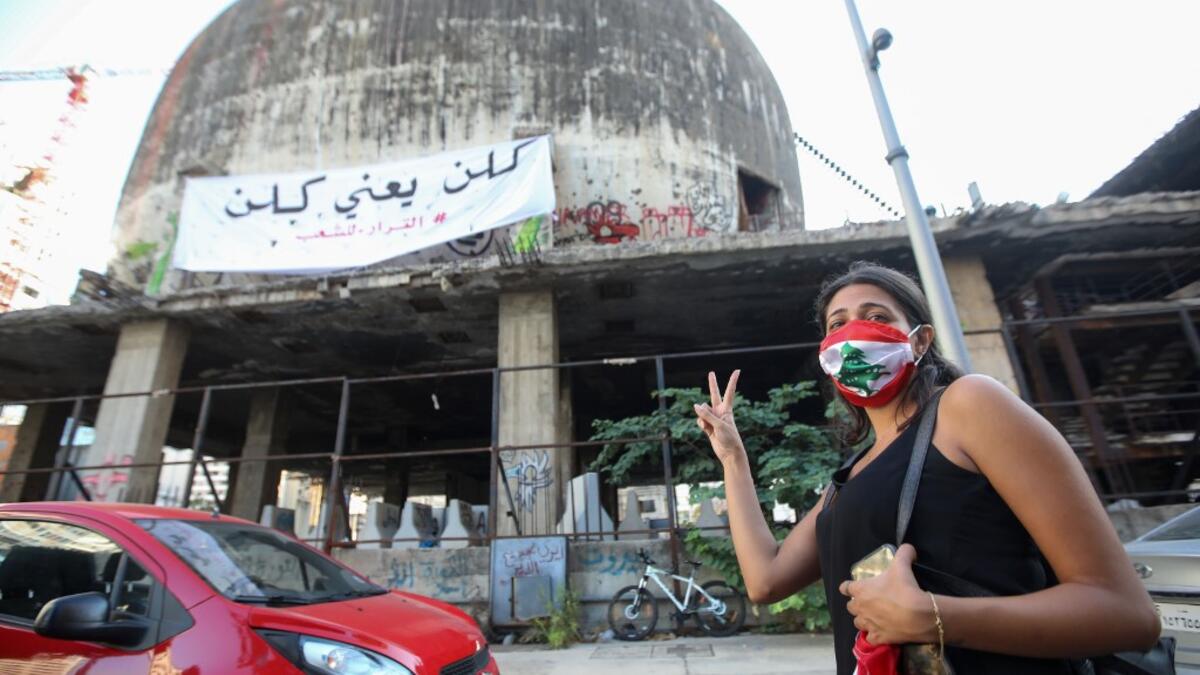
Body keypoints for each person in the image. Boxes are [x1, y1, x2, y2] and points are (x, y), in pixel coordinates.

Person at [692, 262, 1160, 674]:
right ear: (827, 354)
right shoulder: (853, 472)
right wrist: (733, 458)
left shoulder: (970, 406)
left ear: (921, 340)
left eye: (876, 317)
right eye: (838, 324)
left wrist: (932, 617)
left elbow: (1125, 614)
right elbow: (766, 579)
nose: (855, 331)